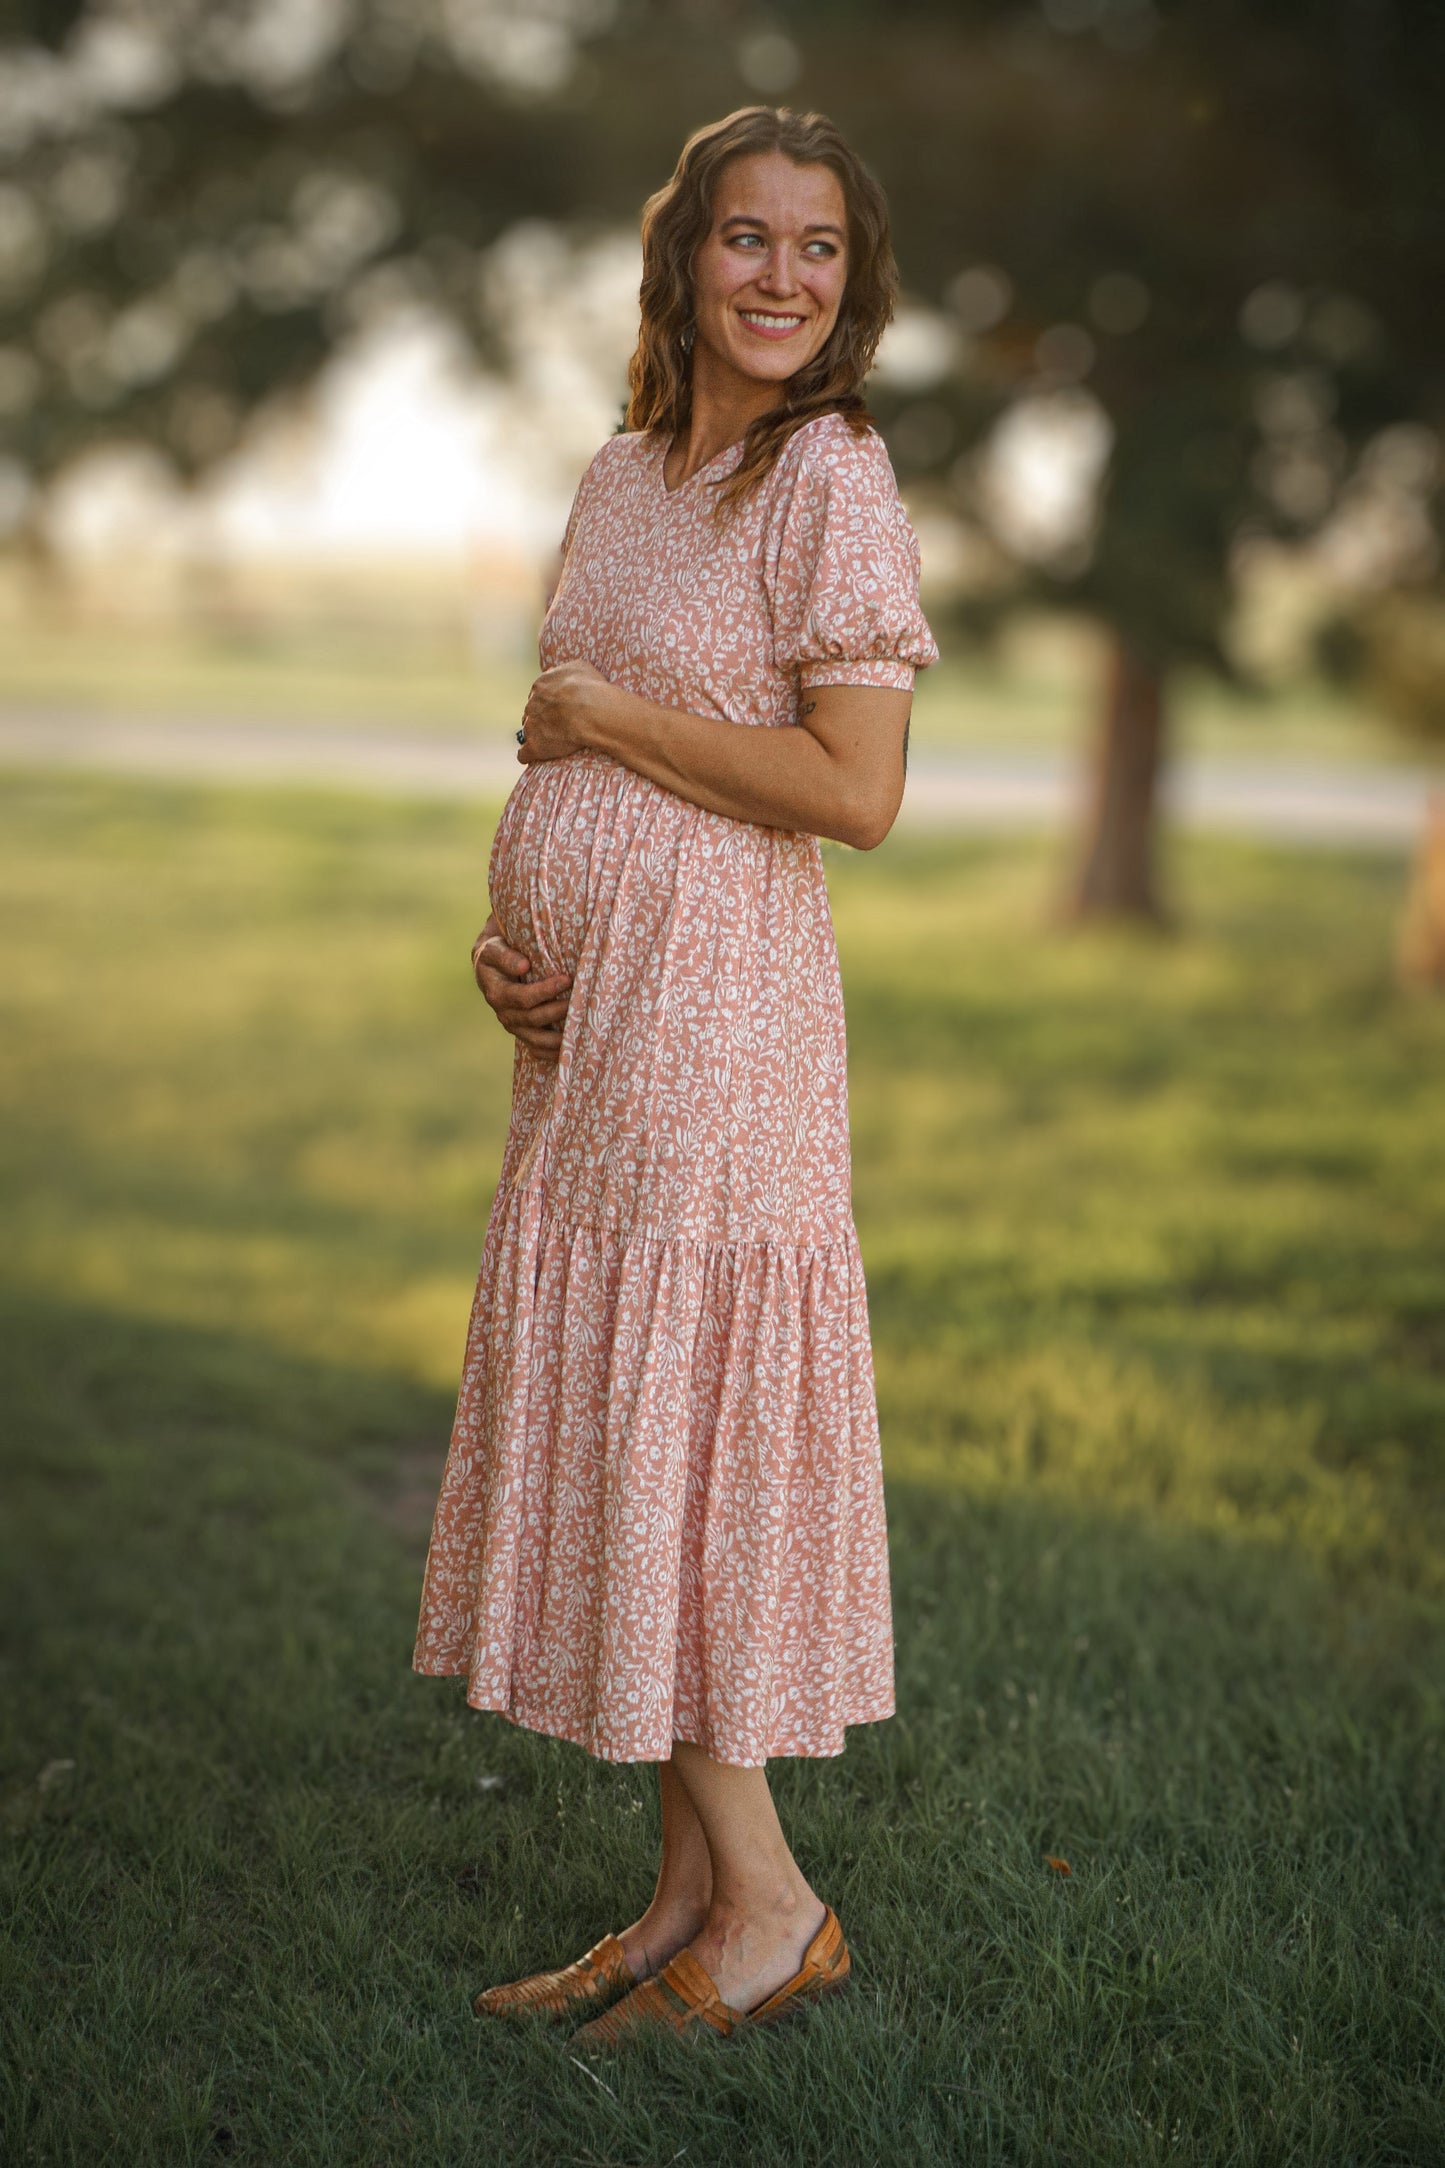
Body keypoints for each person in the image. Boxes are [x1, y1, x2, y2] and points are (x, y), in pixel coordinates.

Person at [413, 103, 937, 2049]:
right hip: (593, 1037)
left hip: (722, 1027)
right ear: (684, 260)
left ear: (850, 280)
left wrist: (615, 727)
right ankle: (683, 1902)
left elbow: (854, 792)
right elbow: (555, 752)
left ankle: (777, 1906)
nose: (781, 274)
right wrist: (514, 950)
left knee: (679, 1434)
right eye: (747, 237)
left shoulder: (834, 479)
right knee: (642, 1406)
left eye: (817, 244)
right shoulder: (629, 472)